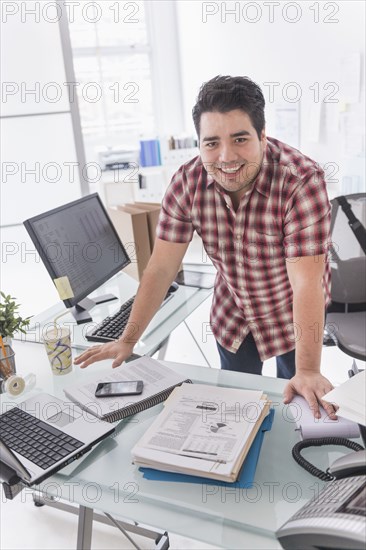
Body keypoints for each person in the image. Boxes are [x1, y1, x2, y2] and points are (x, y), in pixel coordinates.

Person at [75, 75, 336, 420]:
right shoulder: (186, 182)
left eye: (240, 139)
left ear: (262, 135)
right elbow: (161, 267)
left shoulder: (301, 179)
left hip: (293, 307)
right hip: (235, 309)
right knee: (240, 408)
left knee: (295, 398)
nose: (226, 157)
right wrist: (128, 340)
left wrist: (308, 369)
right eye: (211, 143)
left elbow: (306, 283)